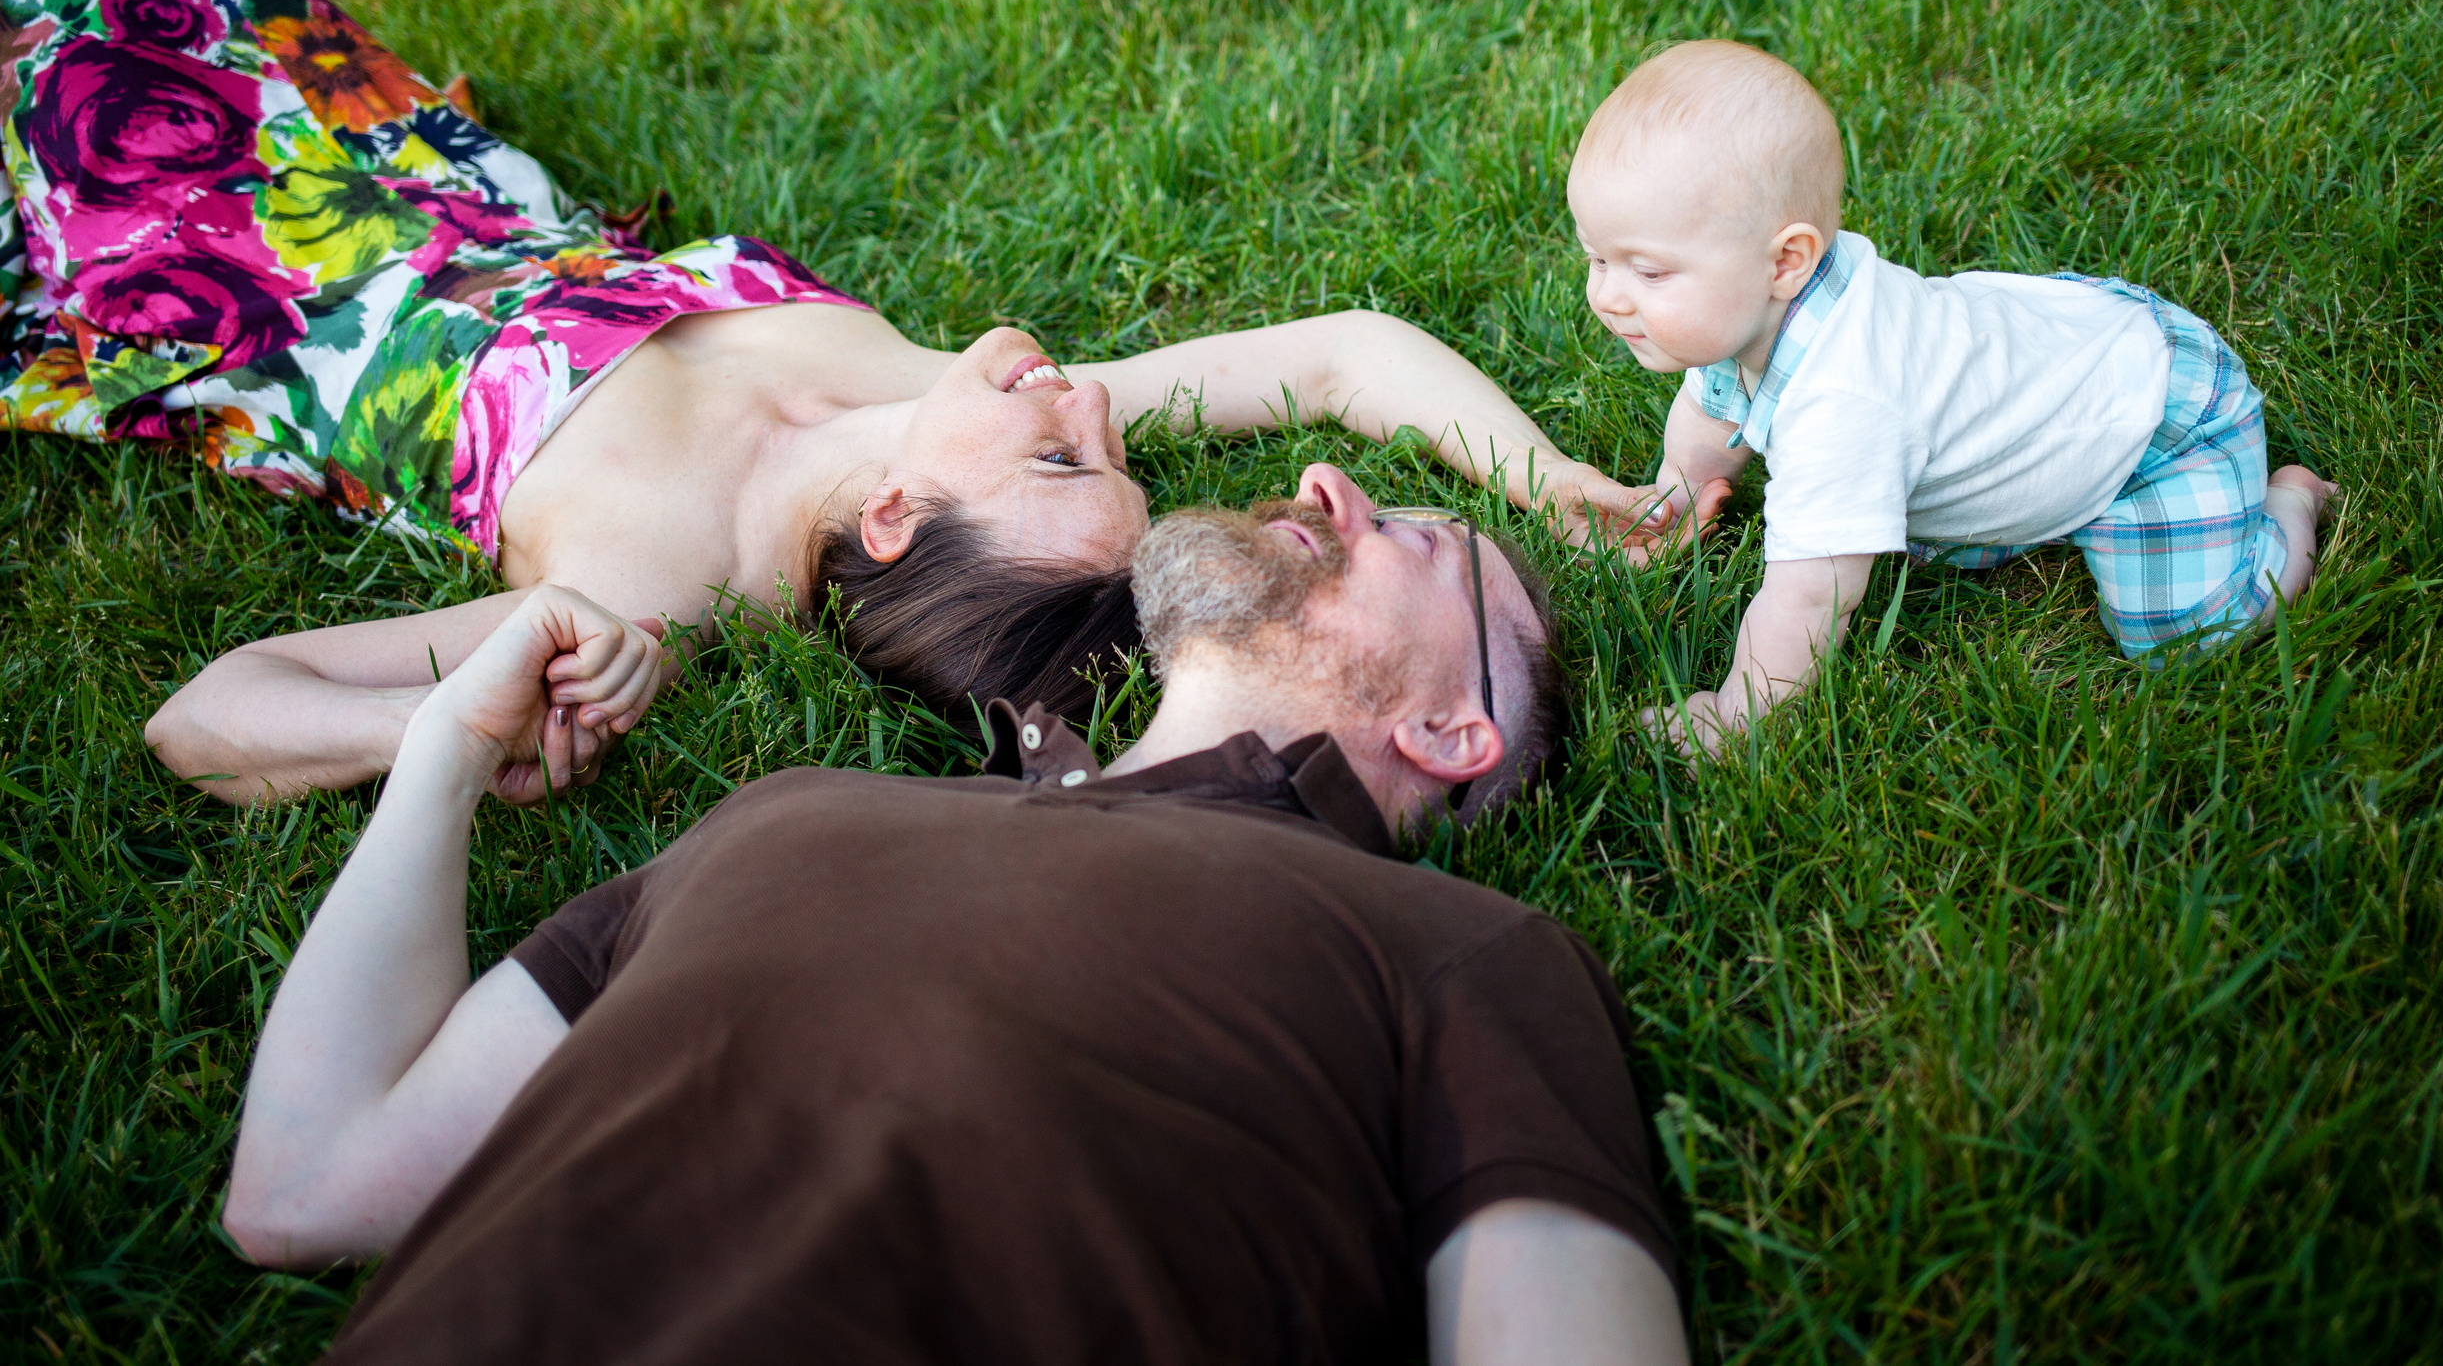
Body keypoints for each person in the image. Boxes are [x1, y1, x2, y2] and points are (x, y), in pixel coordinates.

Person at [0, 0, 1656, 803]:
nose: (1089, 401)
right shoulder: (956, 411)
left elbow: (211, 711)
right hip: (397, 145)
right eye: (1106, 445)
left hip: (158, 215)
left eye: (1064, 451)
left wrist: (455, 728)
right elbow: (1349, 349)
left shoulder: (648, 584)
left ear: (897, 521)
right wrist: (1558, 481)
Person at [220, 463, 1689, 1365]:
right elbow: (308, 1185)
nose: (1327, 486)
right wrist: (445, 751)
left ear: (1448, 733)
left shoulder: (1456, 956)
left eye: (1416, 542)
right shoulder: (792, 811)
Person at [1569, 40, 2341, 756]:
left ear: (1786, 261)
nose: (1607, 295)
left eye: (1649, 271)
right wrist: (1679, 494)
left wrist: (1738, 714)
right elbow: (1712, 406)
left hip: (2156, 420)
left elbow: (1810, 597)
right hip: (2073, 345)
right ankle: (2017, 484)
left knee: (2189, 633)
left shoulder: (1843, 403)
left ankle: (2287, 505)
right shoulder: (1761, 307)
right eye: (1596, 258)